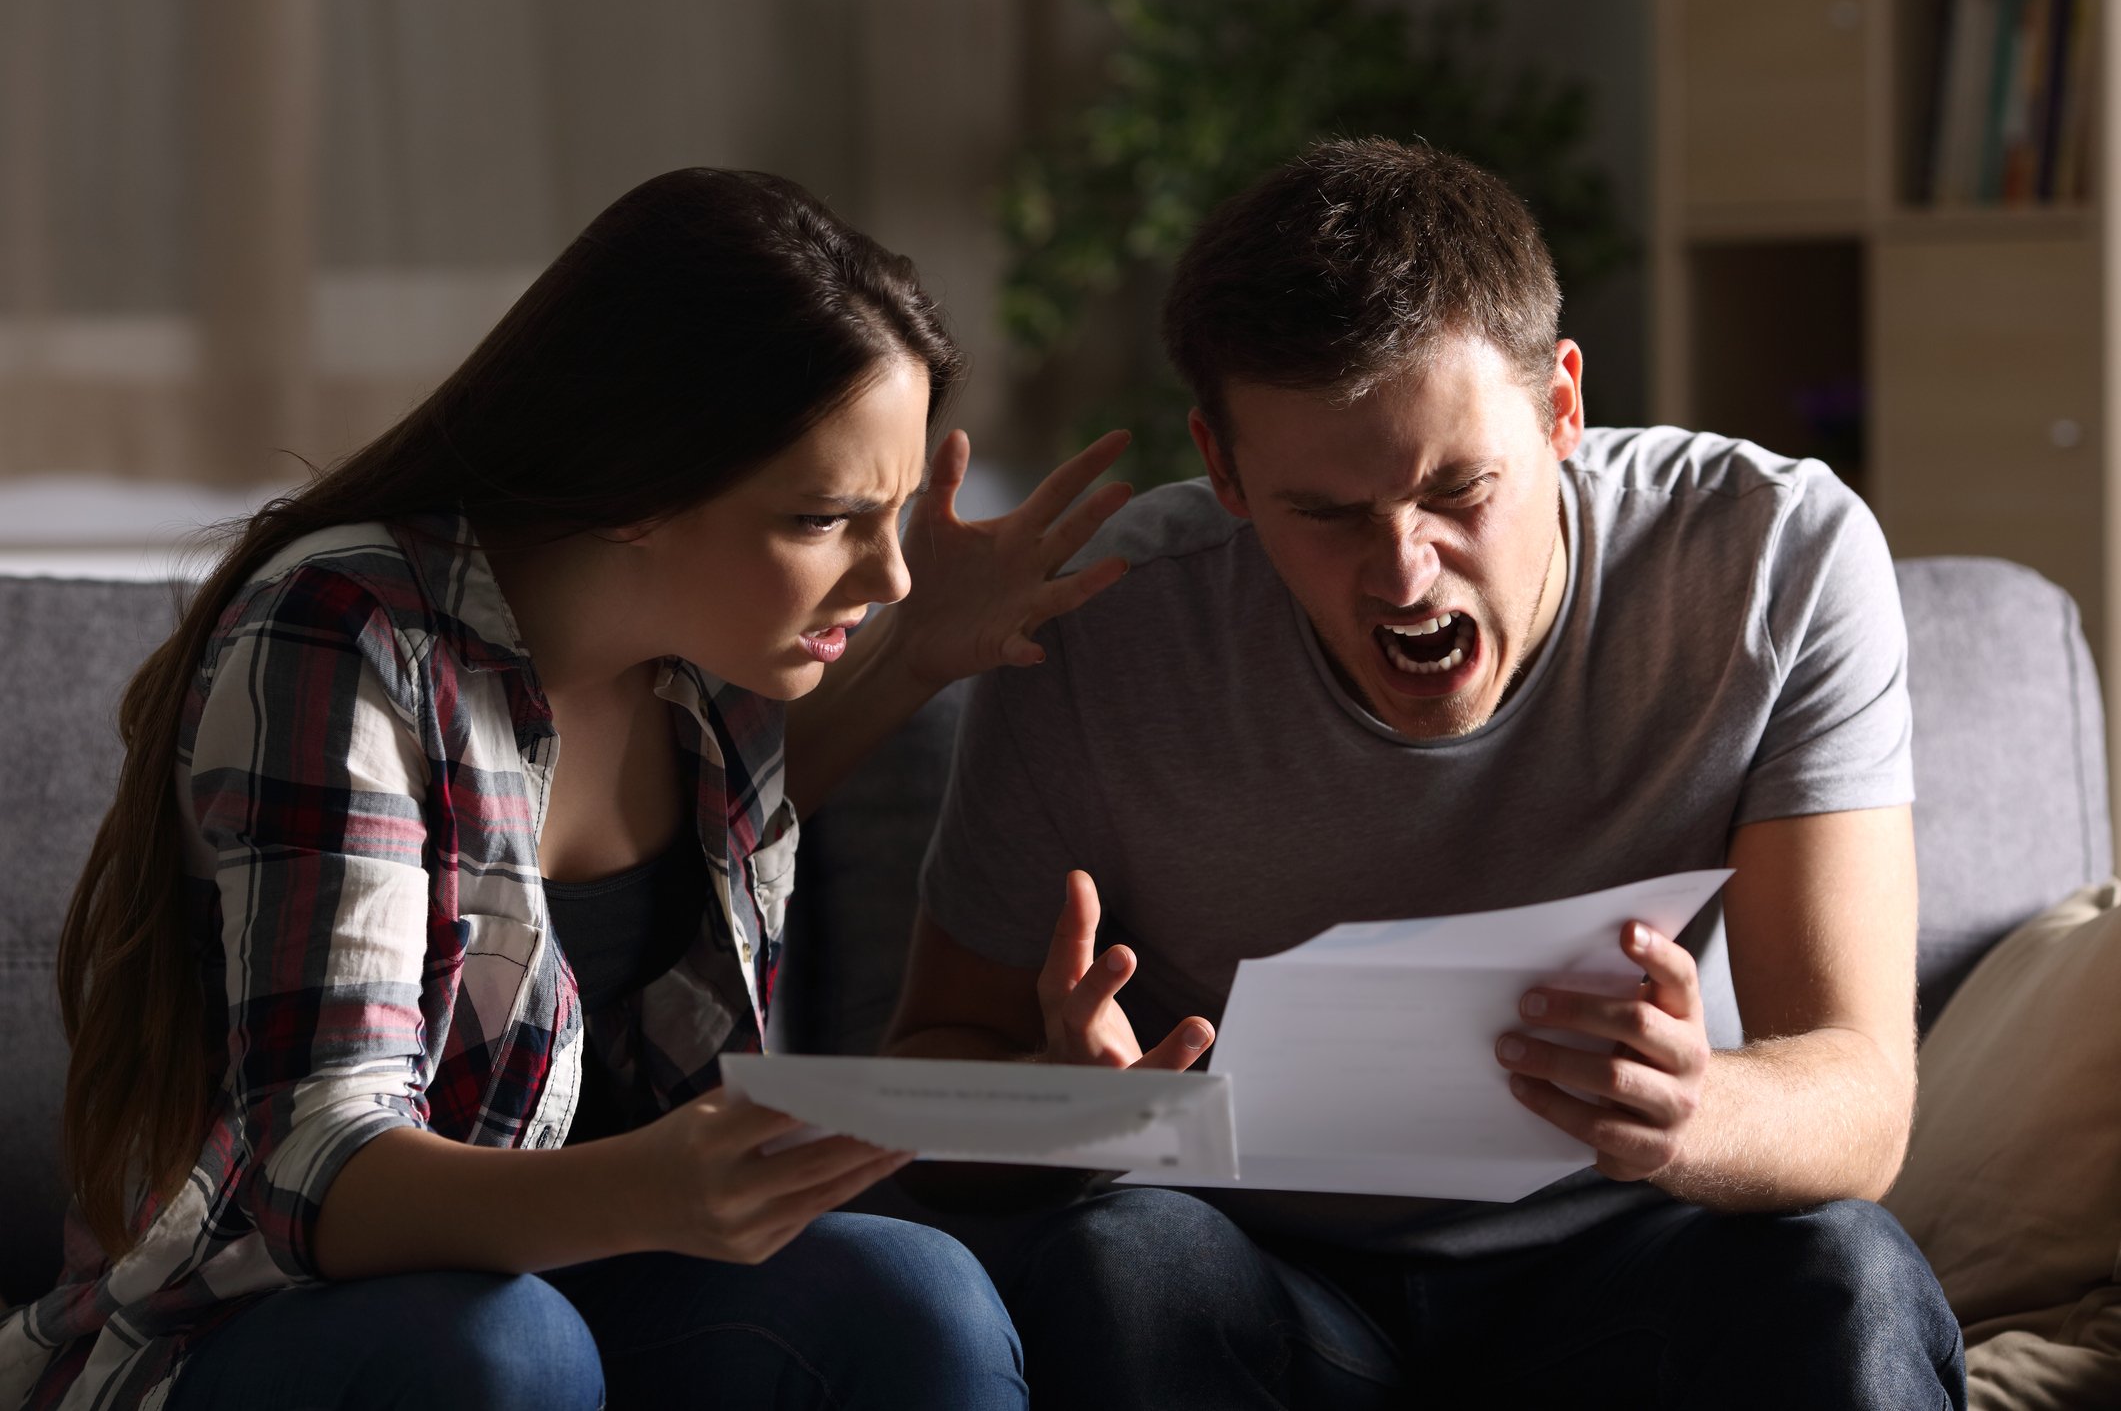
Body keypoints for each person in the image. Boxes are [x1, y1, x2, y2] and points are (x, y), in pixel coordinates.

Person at [0, 167, 1135, 1411]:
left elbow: (686, 850)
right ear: (637, 484)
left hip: (586, 1283)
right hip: (268, 1321)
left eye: (896, 513)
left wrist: (1029, 1092)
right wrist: (650, 1188)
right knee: (509, 1348)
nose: (891, 574)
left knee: (918, 1298)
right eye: (826, 517)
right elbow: (314, 1165)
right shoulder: (347, 632)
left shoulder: (716, 676)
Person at [889, 138, 1968, 1408]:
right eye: (1328, 513)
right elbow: (932, 1079)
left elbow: (1861, 1102)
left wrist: (1692, 1112)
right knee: (1117, 1264)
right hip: (1265, 1278)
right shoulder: (1104, 625)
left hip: (1631, 1256)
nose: (1404, 572)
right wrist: (1060, 1112)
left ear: (1562, 405)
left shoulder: (1773, 560)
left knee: (1846, 1273)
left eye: (1460, 491)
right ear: (1223, 469)